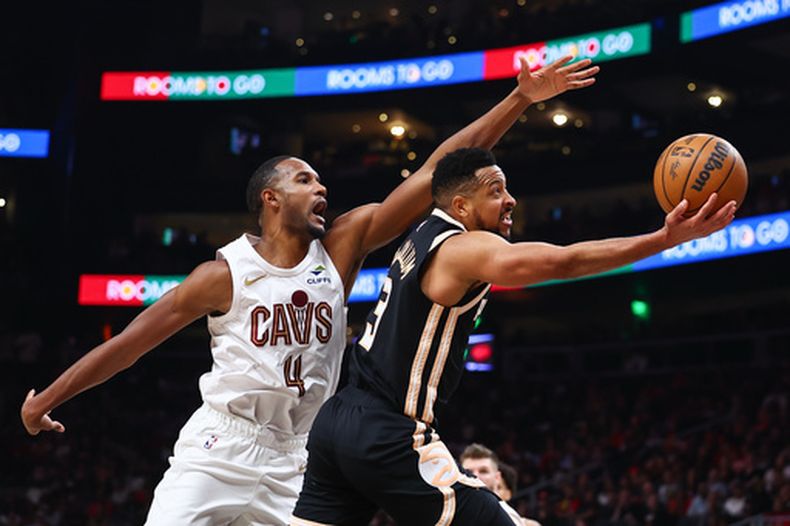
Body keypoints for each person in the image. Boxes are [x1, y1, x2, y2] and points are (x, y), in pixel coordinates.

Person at [20, 56, 599, 526]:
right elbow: (128, 344)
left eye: (321, 180)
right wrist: (46, 399)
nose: (321, 187)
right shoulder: (222, 274)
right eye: (304, 180)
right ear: (270, 198)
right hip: (221, 446)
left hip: (301, 455)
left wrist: (519, 99)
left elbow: (437, 173)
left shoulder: (341, 248)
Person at [290, 147, 737, 526]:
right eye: (495, 191)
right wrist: (664, 238)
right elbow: (563, 262)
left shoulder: (421, 234)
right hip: (385, 429)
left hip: (336, 422)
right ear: (461, 206)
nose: (510, 200)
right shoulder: (462, 246)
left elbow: (440, 164)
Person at [460, 443, 540, 526]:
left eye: (483, 471)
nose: (476, 476)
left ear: (497, 478)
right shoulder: (452, 513)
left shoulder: (507, 515)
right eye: (468, 472)